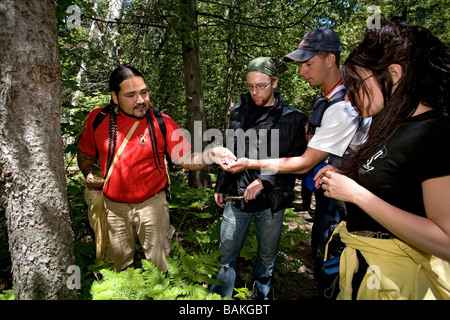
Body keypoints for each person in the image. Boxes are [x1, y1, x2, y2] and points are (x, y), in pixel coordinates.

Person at [224, 28, 371, 293]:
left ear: (330, 60)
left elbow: (303, 161)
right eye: (250, 86)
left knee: (336, 267)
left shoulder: (347, 105)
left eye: (308, 63)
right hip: (327, 199)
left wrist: (254, 167)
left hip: (347, 207)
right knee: (326, 260)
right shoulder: (323, 104)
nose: (302, 72)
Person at [317, 19, 450, 299]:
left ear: (394, 74)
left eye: (356, 84)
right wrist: (346, 174)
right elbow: (395, 184)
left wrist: (357, 195)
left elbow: (446, 240)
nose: (350, 96)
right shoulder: (388, 128)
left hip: (398, 285)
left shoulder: (435, 134)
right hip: (367, 274)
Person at [77, 66, 235, 272]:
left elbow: (186, 157)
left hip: (153, 206)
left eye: (144, 92)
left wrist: (212, 154)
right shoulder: (97, 120)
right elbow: (85, 154)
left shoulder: (162, 122)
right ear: (115, 97)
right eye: (131, 95)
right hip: (112, 208)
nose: (141, 100)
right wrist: (89, 170)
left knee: (160, 269)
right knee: (115, 271)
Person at [210, 57, 308, 299]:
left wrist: (266, 181)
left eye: (261, 85)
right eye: (250, 86)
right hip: (236, 198)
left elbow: (299, 164)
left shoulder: (293, 118)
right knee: (225, 258)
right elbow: (229, 152)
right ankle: (221, 299)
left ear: (274, 81)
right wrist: (222, 183)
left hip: (271, 203)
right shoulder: (237, 111)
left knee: (266, 259)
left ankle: (260, 299)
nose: (255, 91)